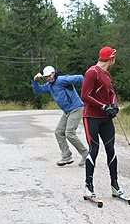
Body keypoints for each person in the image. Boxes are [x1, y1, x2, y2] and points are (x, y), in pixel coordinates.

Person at [81, 46, 123, 197]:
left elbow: (111, 92)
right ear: (110, 58)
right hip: (91, 117)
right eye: (114, 57)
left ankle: (115, 185)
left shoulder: (106, 74)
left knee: (110, 149)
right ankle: (88, 186)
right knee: (94, 150)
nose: (115, 60)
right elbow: (85, 96)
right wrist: (103, 106)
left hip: (105, 119)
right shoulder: (92, 72)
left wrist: (114, 105)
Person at [31, 65, 89, 167]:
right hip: (67, 112)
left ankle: (86, 154)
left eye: (49, 76)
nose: (47, 78)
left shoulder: (61, 80)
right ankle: (66, 156)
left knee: (69, 133)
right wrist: (35, 80)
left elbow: (80, 78)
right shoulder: (49, 85)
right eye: (46, 77)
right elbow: (37, 90)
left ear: (53, 73)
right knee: (58, 132)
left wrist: (88, 89)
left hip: (76, 108)